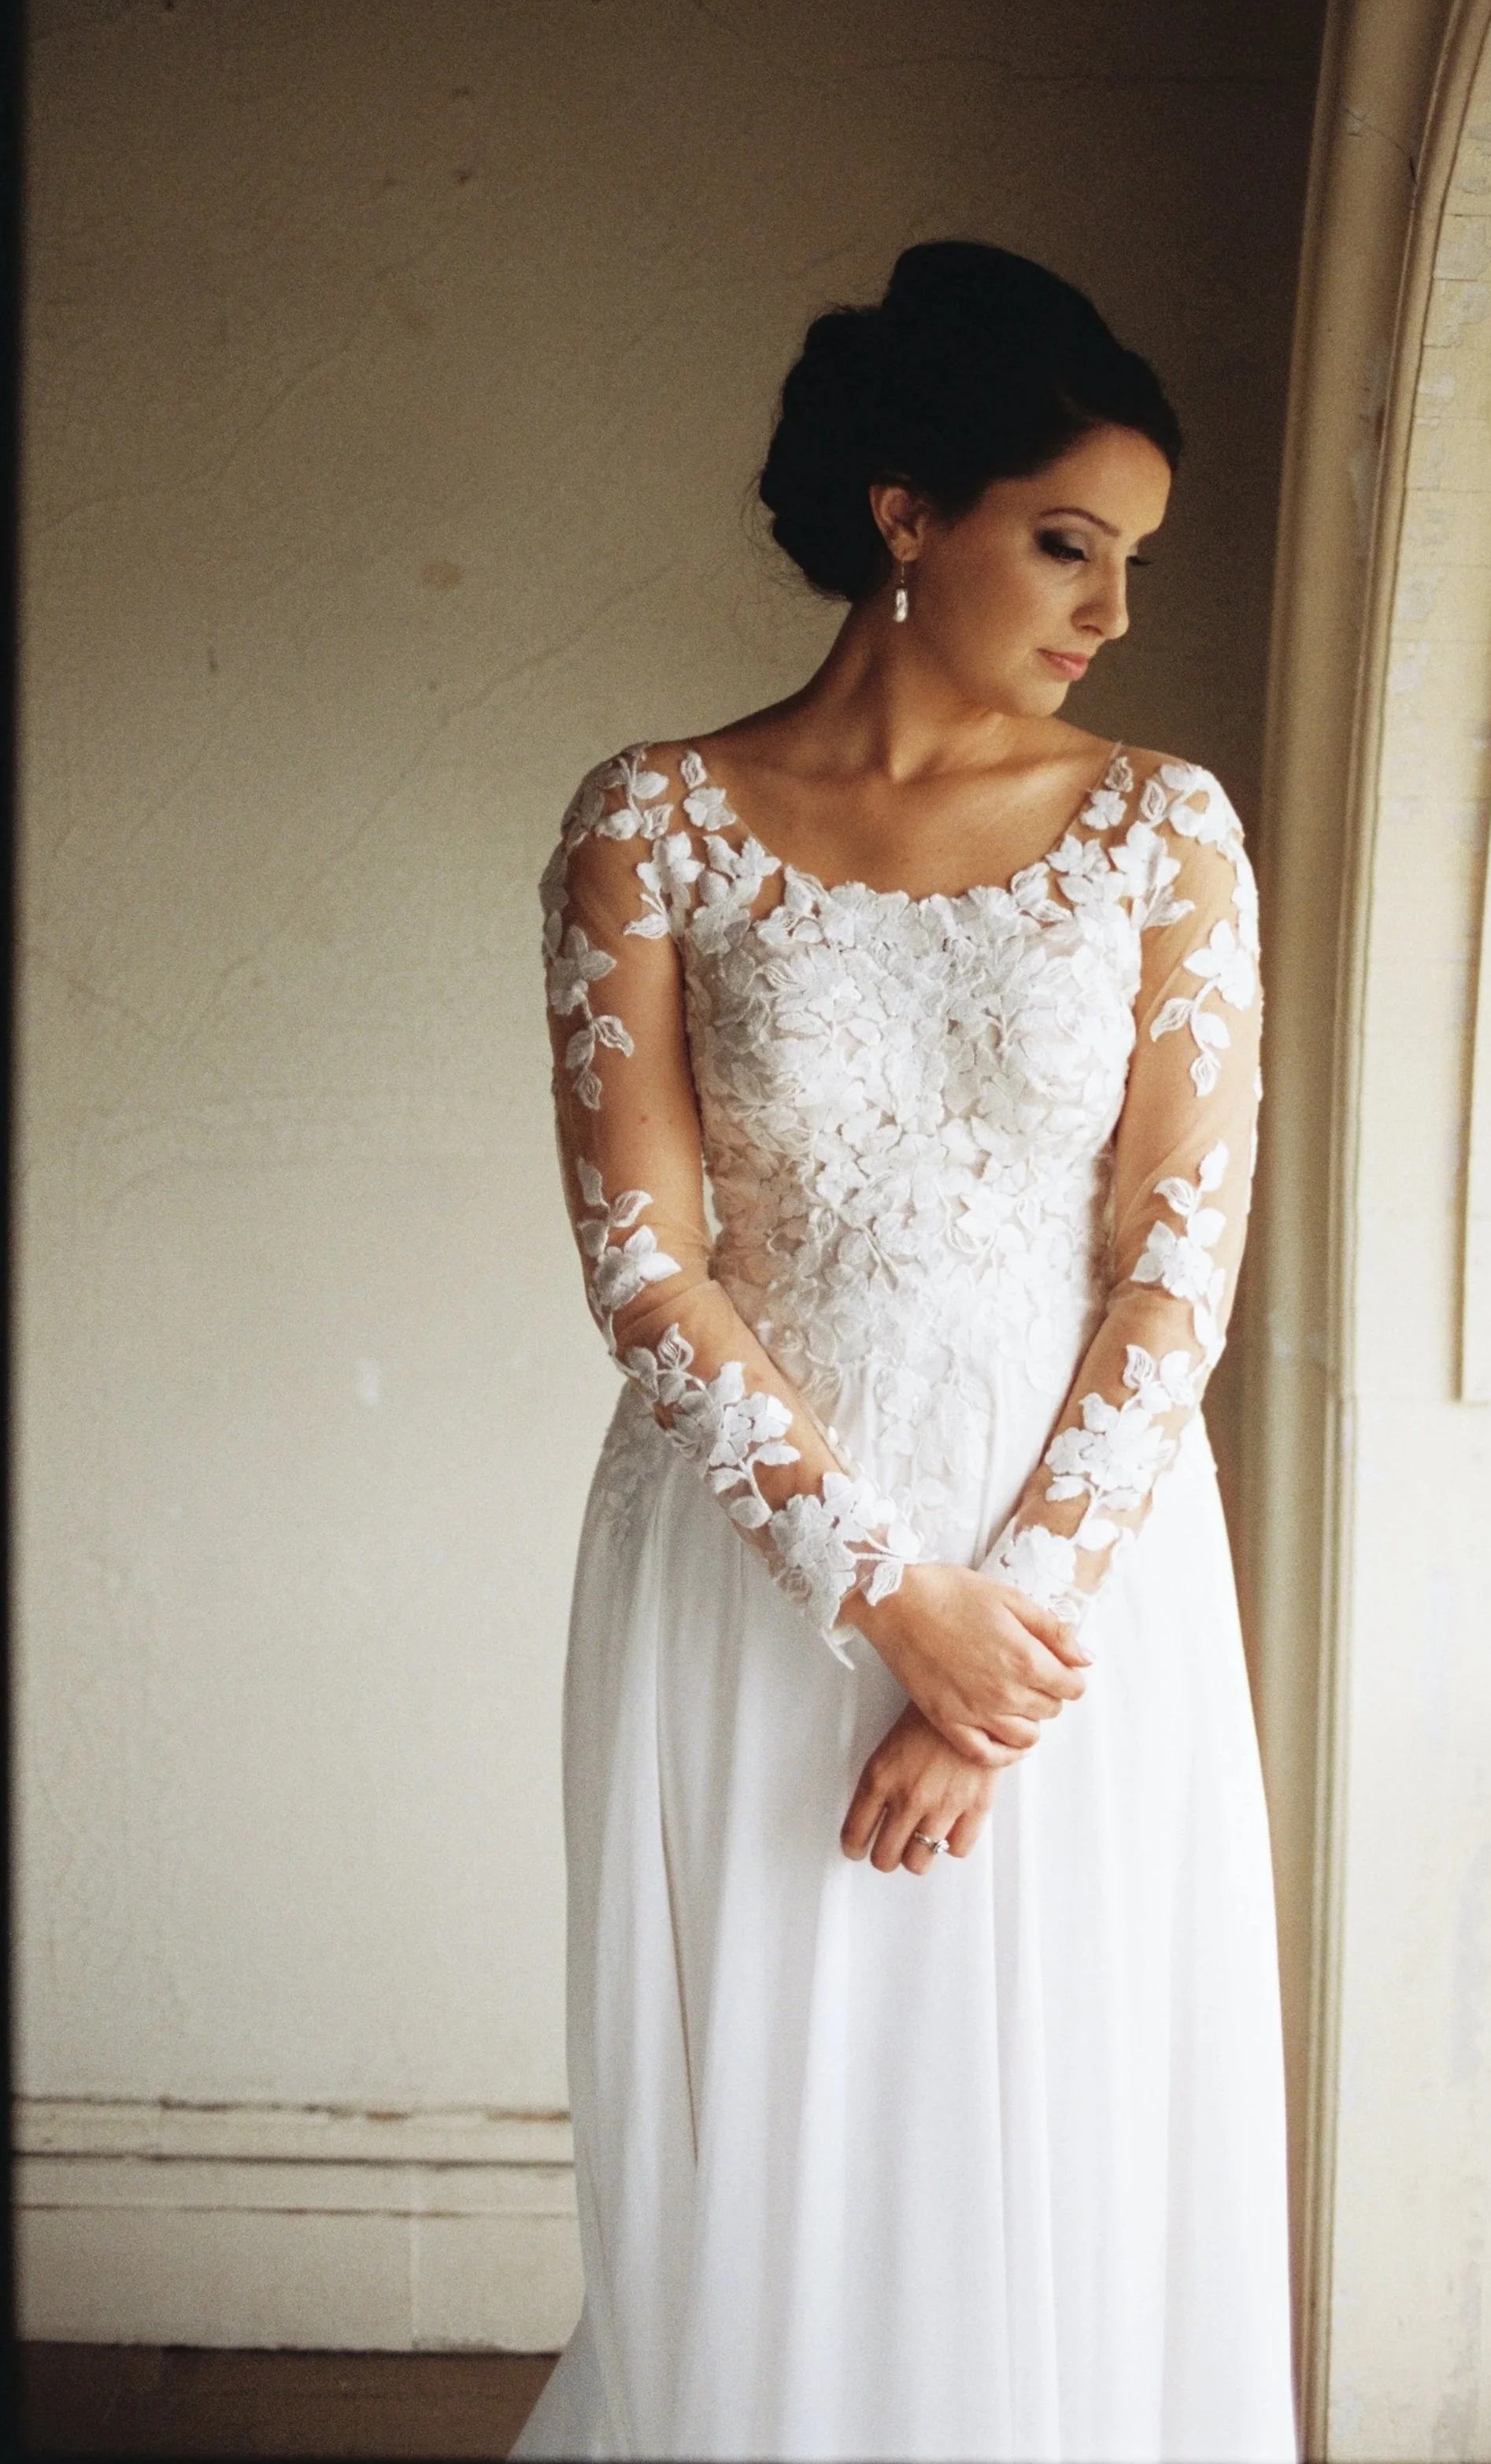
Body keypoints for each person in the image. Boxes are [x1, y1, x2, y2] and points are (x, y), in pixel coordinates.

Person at [510, 240, 1297, 2464]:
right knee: (779, 2135)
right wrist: (894, 1599)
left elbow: (1175, 1265)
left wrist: (1005, 1637)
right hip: (763, 1573)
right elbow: (647, 1268)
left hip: (1080, 1585)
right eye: (1071, 542)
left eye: (1133, 561)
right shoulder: (646, 824)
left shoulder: (1165, 833)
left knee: (1046, 2121)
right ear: (904, 515)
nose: (1111, 613)